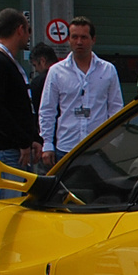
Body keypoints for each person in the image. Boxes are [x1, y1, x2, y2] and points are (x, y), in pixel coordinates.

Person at [38, 16, 123, 167]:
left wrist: (114, 142)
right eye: (74, 37)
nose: (79, 42)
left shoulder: (108, 70)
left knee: (98, 190)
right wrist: (47, 144)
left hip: (99, 147)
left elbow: (116, 109)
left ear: (93, 39)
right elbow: (47, 110)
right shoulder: (56, 72)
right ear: (68, 39)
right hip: (66, 147)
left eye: (84, 37)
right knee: (65, 190)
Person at [0, 8, 42, 197]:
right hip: (6, 151)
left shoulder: (9, 63)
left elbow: (19, 108)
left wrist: (33, 138)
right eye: (28, 30)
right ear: (20, 29)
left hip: (17, 149)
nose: (29, 36)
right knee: (8, 208)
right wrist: (22, 141)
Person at [28, 42, 56, 115]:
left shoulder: (38, 83)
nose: (36, 70)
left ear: (42, 61)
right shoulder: (67, 76)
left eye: (35, 65)